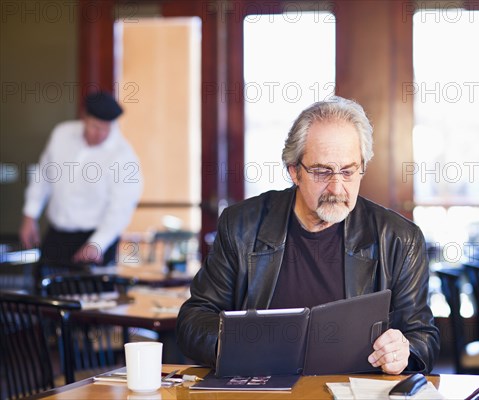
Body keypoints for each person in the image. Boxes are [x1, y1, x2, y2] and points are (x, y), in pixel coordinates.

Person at [177, 96, 439, 374]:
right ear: (294, 171)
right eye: (322, 172)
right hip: (262, 389)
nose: (337, 188)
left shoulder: (399, 238)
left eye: (348, 172)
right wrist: (242, 348)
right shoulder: (242, 225)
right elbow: (194, 320)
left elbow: (423, 337)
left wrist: (404, 352)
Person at [19, 91, 143, 267]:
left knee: (90, 294)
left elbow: (121, 208)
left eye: (106, 128)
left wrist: (97, 243)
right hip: (57, 234)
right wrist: (30, 216)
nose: (100, 134)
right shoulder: (62, 134)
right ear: (84, 117)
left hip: (95, 239)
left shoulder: (123, 155)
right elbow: (42, 176)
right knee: (43, 289)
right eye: (95, 126)